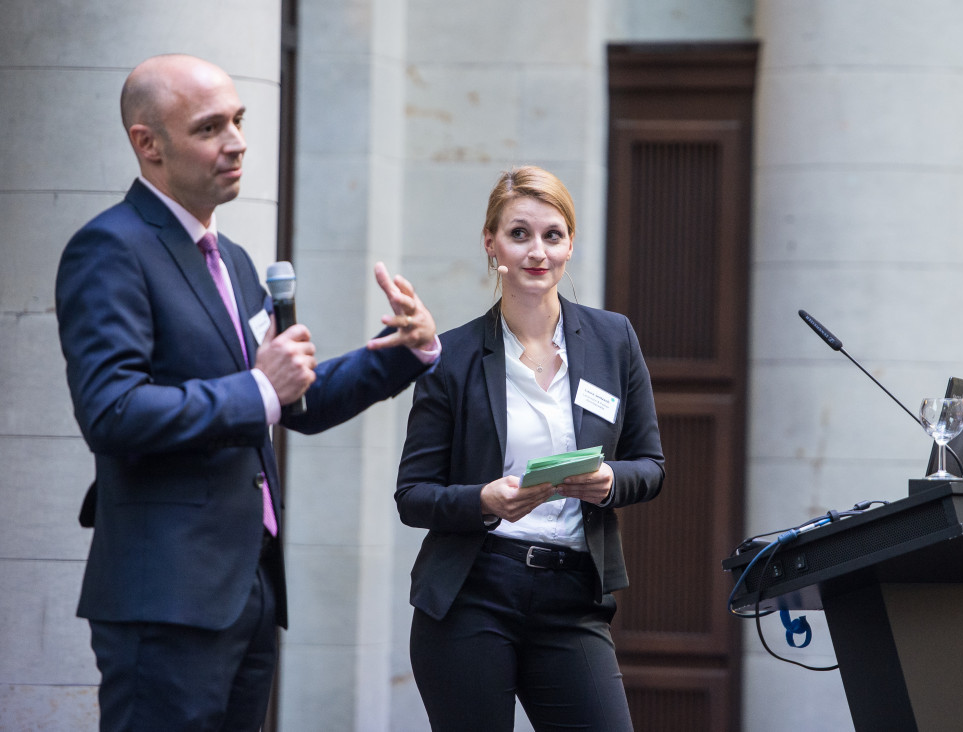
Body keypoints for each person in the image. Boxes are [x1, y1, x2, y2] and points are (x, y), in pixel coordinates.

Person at [55, 54, 439, 731]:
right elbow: (113, 412)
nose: (235, 142)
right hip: (166, 599)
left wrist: (405, 356)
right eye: (209, 128)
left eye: (238, 120)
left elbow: (297, 401)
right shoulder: (110, 250)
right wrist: (258, 387)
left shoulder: (229, 260)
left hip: (249, 589)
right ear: (149, 144)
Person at [395, 165, 665, 730]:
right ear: (491, 244)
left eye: (552, 235)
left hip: (572, 595)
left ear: (570, 245)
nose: (536, 251)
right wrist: (484, 501)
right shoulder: (454, 357)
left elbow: (651, 466)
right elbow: (413, 496)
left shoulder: (614, 339)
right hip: (473, 591)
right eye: (519, 234)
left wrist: (610, 482)